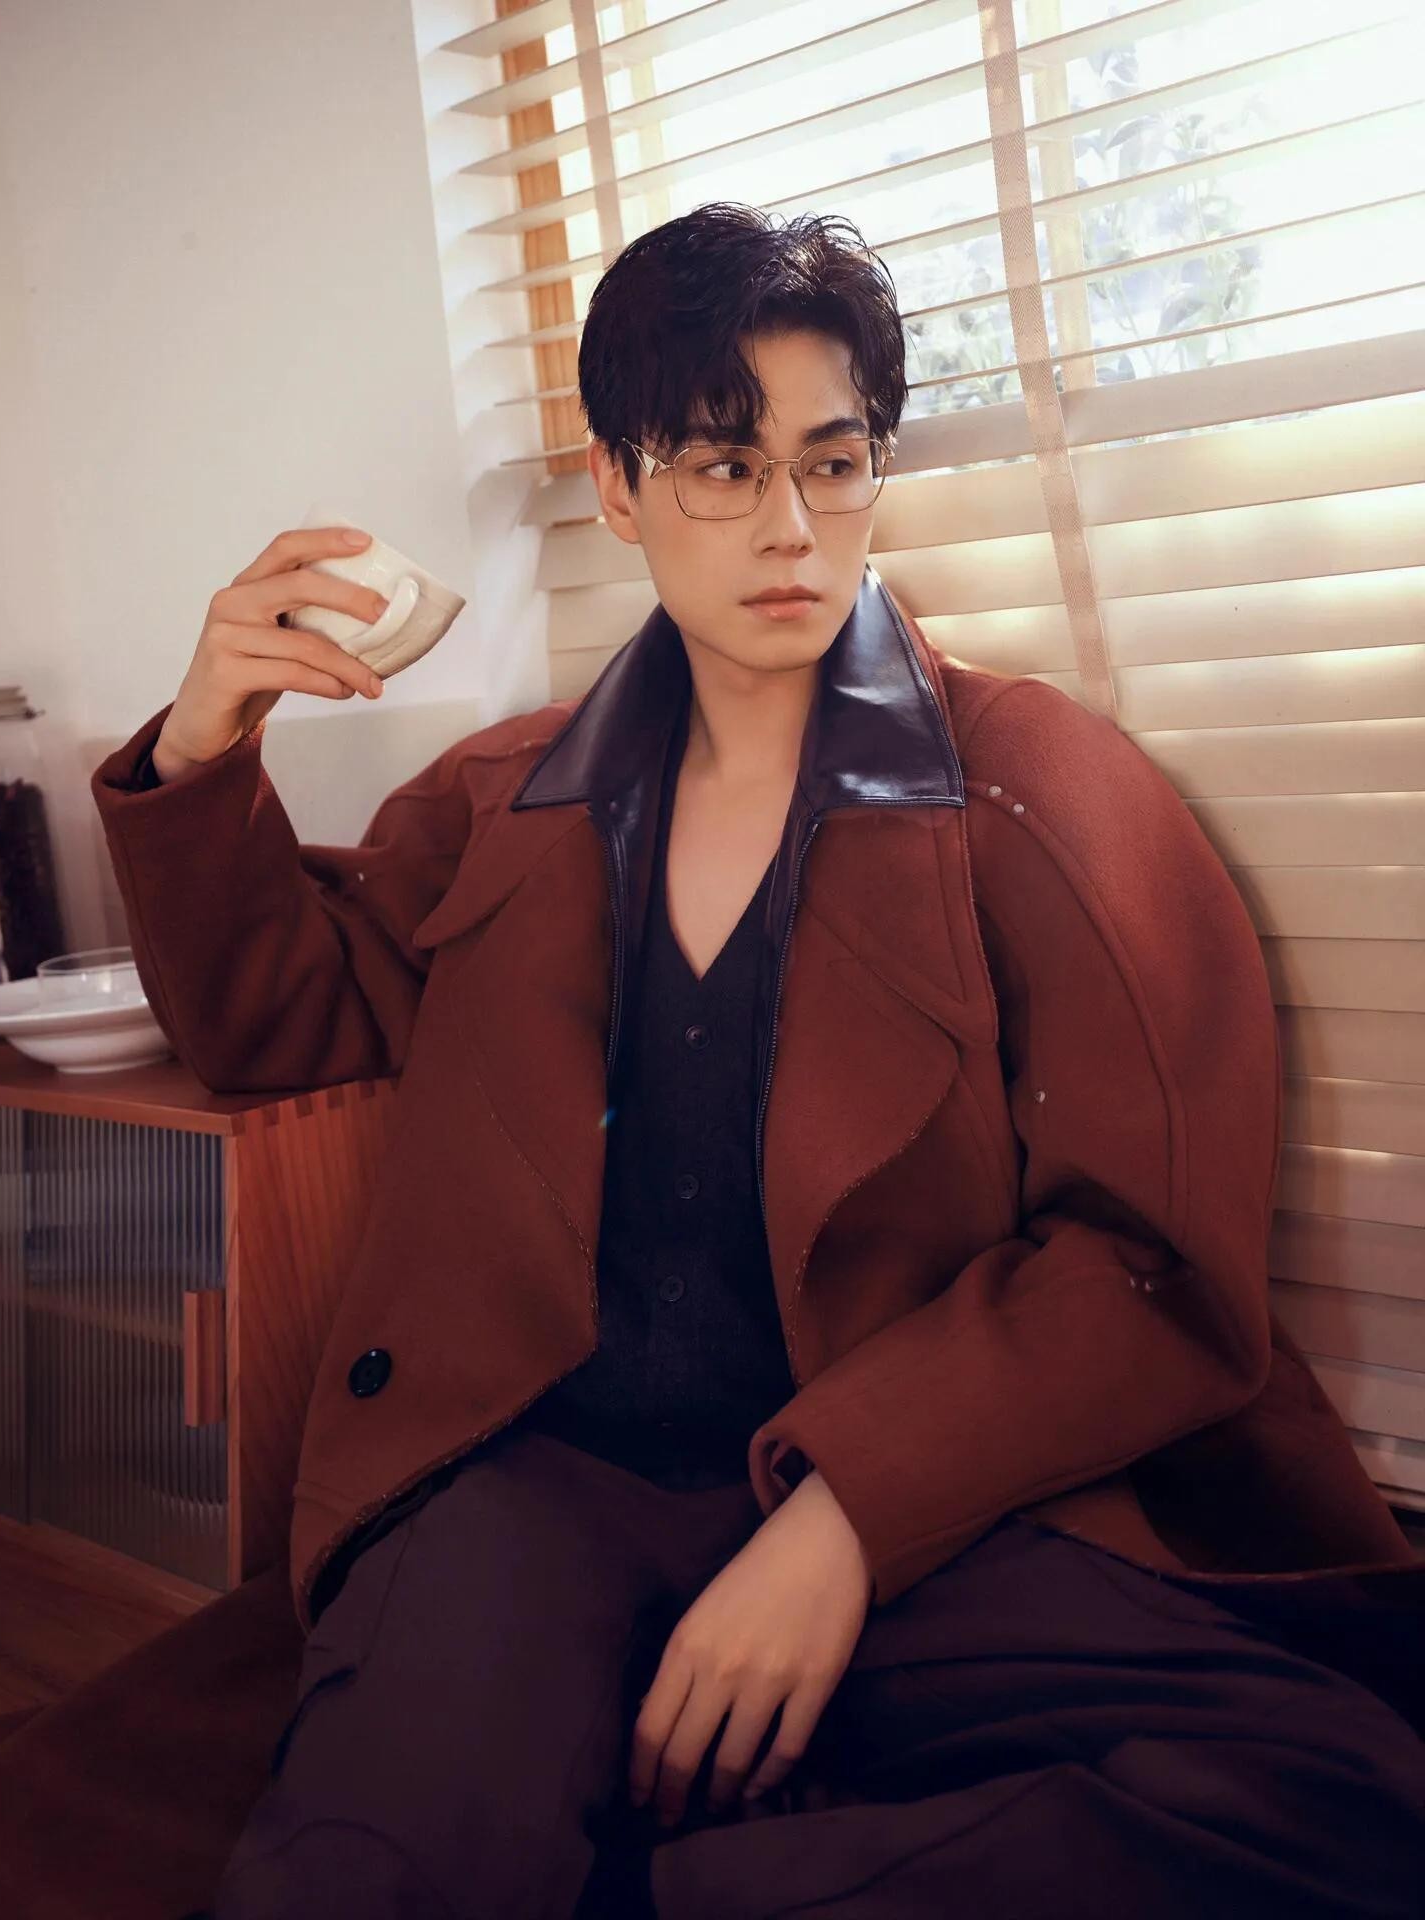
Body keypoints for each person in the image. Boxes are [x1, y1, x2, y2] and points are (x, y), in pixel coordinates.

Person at [93, 204, 1425, 1919]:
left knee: (1337, 1803)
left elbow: (1147, 1260)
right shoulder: (502, 799)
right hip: (537, 1483)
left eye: (833, 462)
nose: (791, 527)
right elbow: (274, 1023)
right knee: (374, 1870)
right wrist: (203, 744)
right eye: (725, 468)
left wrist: (846, 1519)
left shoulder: (1038, 790)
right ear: (617, 487)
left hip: (934, 1500)